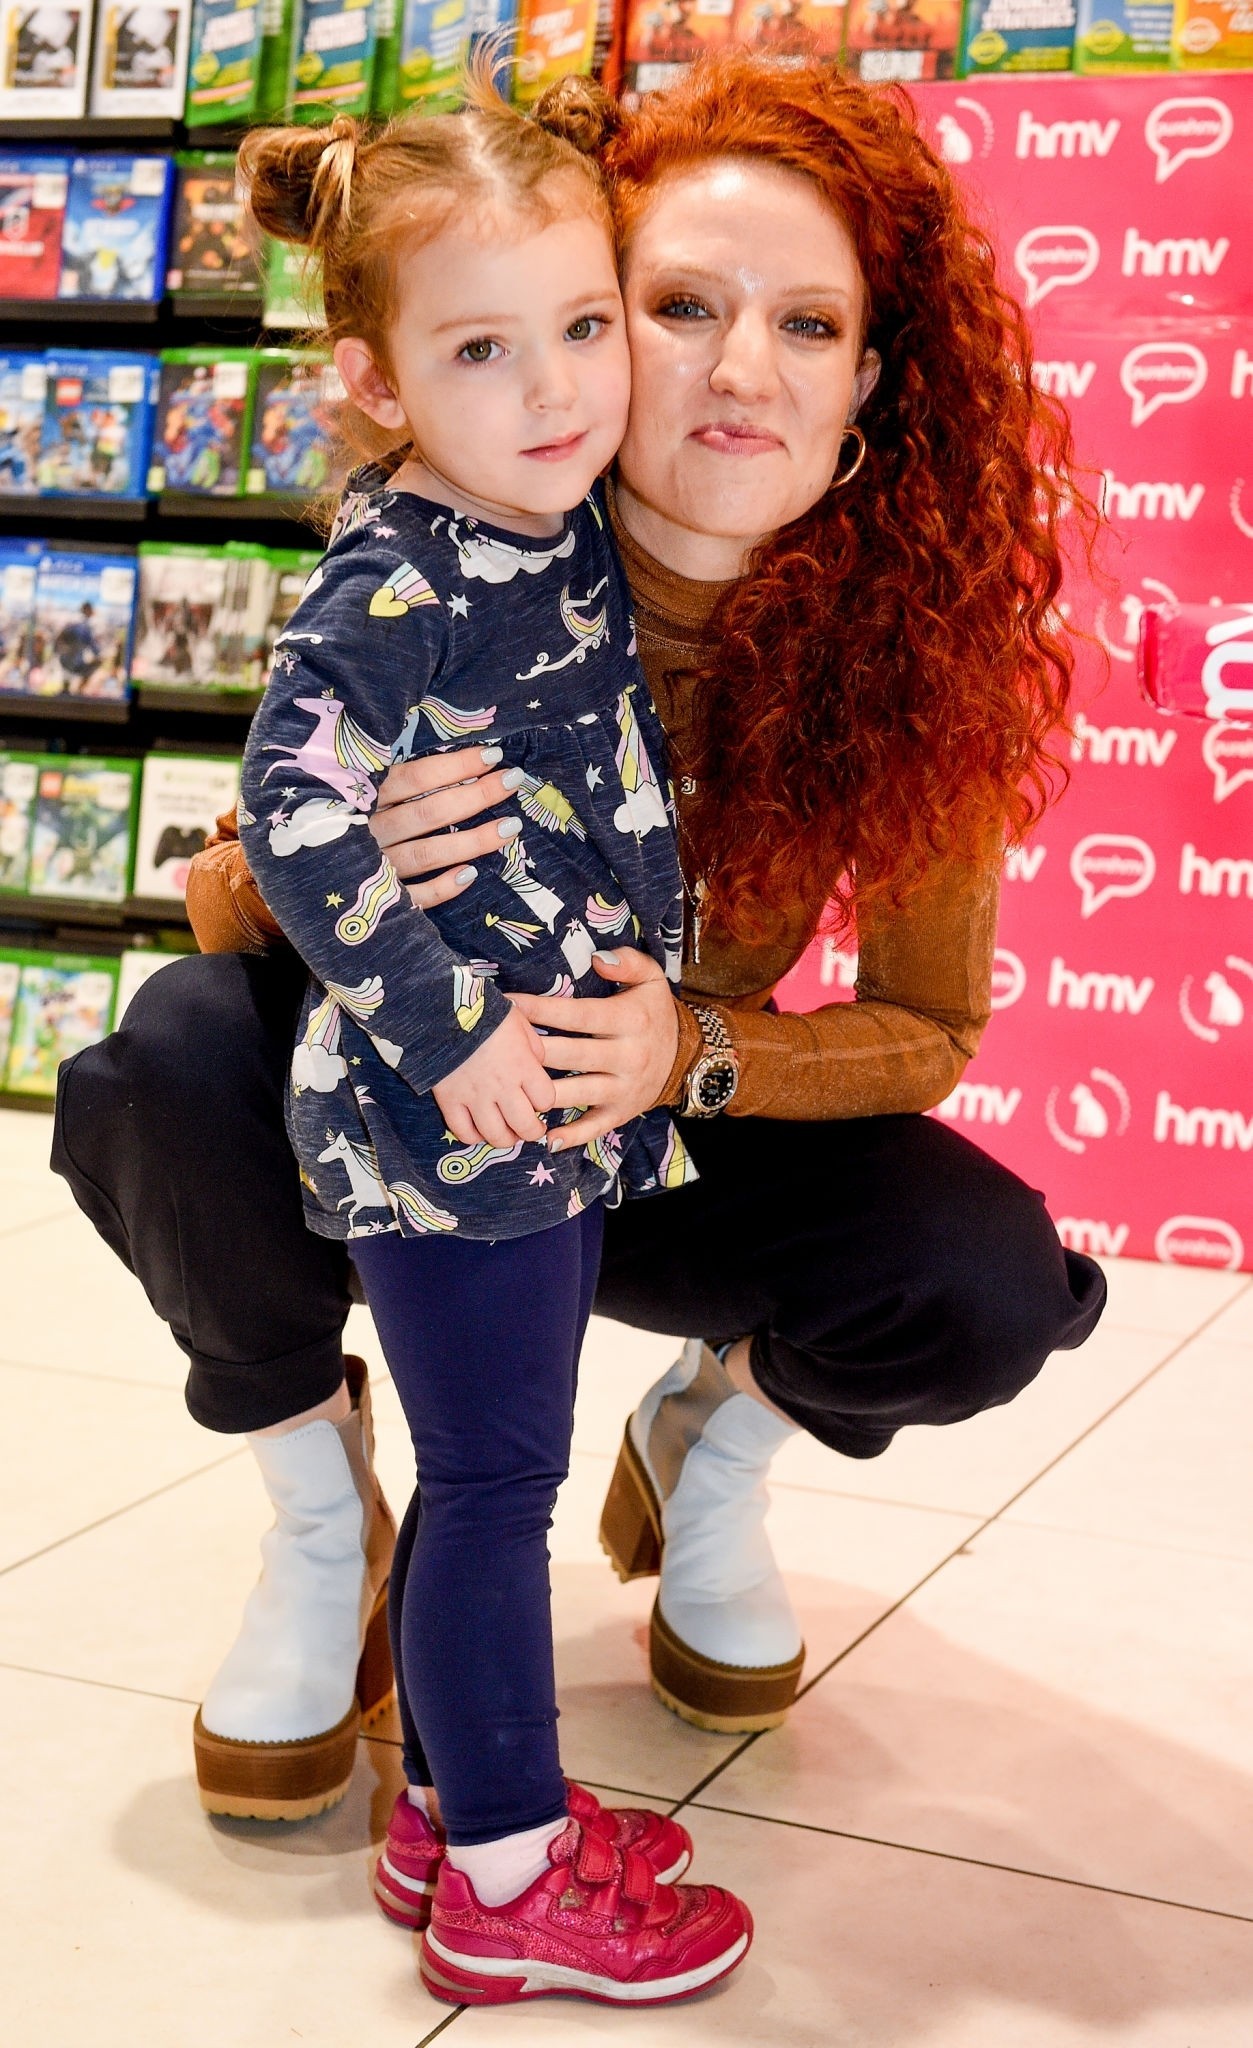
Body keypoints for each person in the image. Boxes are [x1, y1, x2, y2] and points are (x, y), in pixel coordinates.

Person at [52, 42, 1105, 1881]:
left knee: (984, 1274)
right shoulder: (472, 534)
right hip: (420, 1113)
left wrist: (693, 1050)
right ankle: (322, 1521)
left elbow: (929, 1027)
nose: (738, 366)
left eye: (806, 323)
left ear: (869, 380)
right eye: (676, 306)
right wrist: (353, 871)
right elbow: (236, 887)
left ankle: (713, 1453)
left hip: (655, 1144)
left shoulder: (906, 647)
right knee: (170, 1058)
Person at [218, 75, 753, 2012]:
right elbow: (290, 806)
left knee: (484, 1474)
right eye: (479, 350)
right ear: (374, 380)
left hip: (535, 1102)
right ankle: (515, 1879)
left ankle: (452, 1816)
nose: (555, 390)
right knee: (500, 1483)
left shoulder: (536, 513)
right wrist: (447, 1033)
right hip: (456, 1114)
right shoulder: (405, 573)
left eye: (583, 326)